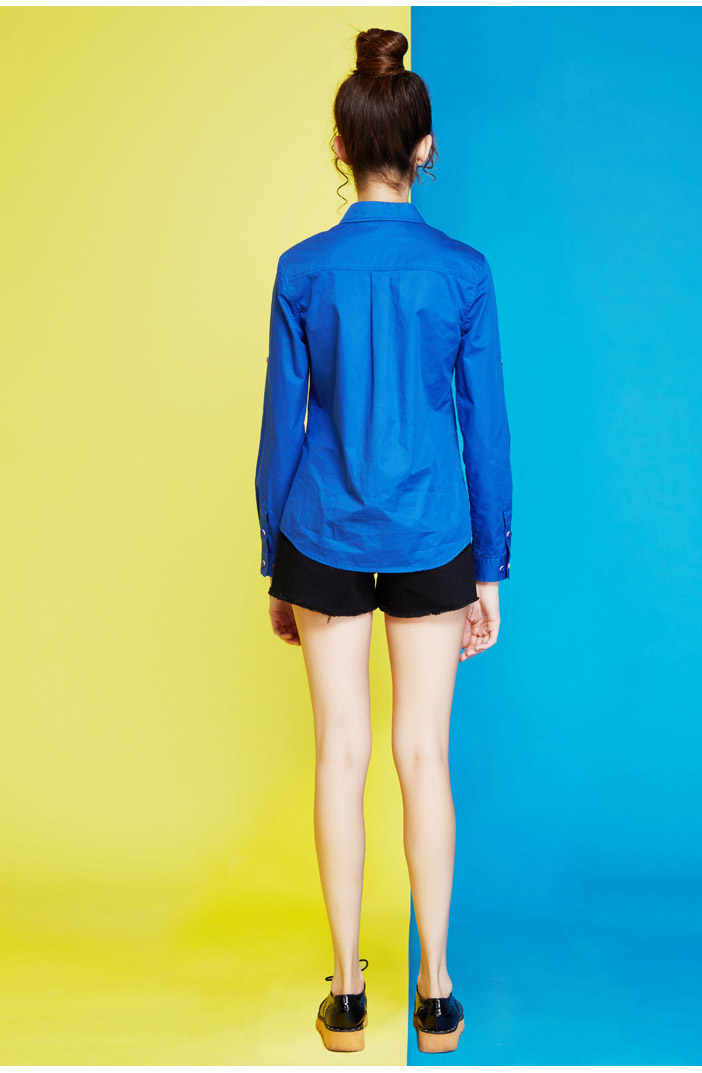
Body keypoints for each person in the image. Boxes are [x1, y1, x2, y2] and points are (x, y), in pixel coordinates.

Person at [254, 26, 512, 1054]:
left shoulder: (301, 270)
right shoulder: (465, 272)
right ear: (425, 147)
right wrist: (491, 567)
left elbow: (281, 431)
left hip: (319, 529)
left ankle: (350, 990)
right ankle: (436, 989)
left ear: (338, 146)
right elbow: (486, 430)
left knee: (341, 751)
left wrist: (275, 562)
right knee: (422, 753)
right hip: (435, 531)